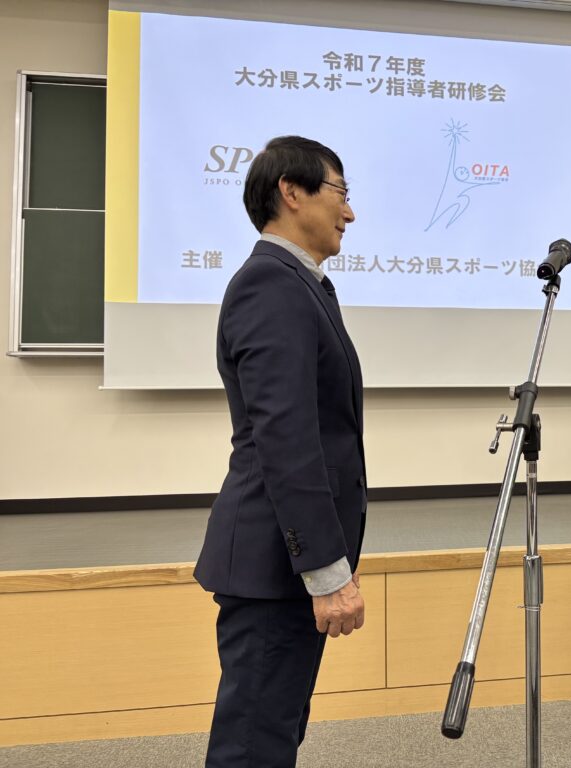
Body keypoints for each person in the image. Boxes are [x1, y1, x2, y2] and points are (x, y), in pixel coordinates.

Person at [194, 135, 366, 768]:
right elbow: (286, 439)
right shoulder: (271, 283)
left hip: (282, 563)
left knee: (272, 734)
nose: (349, 212)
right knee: (254, 746)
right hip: (275, 565)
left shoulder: (303, 284)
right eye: (340, 192)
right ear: (291, 192)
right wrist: (325, 569)